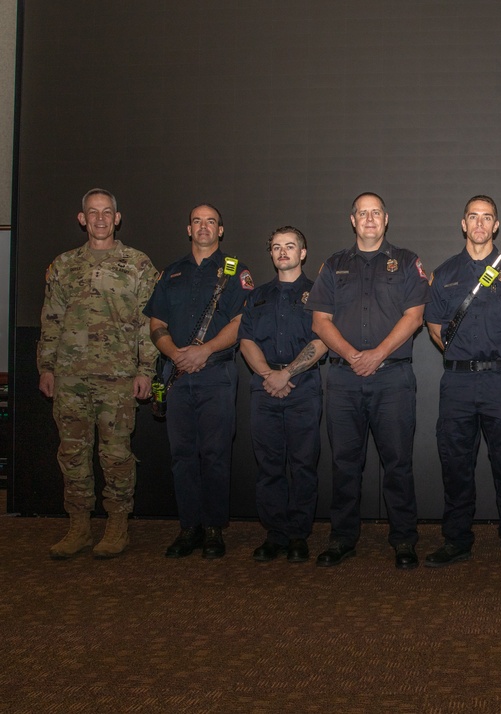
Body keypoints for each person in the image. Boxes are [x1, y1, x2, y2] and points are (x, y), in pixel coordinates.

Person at [306, 192, 429, 570]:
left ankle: (404, 539)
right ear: (353, 220)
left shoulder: (407, 262)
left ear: (386, 219)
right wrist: (351, 355)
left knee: (398, 464)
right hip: (343, 380)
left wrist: (377, 354)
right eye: (363, 213)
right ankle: (343, 538)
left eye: (376, 213)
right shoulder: (333, 265)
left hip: (392, 379)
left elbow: (415, 316)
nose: (370, 219)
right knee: (344, 464)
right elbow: (319, 321)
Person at [38, 188, 158, 559]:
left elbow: (148, 324)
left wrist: (146, 369)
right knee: (72, 454)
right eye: (93, 212)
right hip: (70, 376)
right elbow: (51, 319)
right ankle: (78, 527)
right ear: (82, 218)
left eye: (107, 212)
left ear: (117, 218)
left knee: (117, 455)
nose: (101, 219)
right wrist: (46, 366)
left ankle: (117, 525)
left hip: (119, 377)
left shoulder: (137, 264)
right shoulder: (63, 265)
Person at [424, 195, 501, 571]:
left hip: (500, 383)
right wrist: (462, 356)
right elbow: (435, 326)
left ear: (496, 225)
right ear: (463, 223)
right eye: (473, 216)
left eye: (487, 217)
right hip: (457, 383)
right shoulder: (444, 273)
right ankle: (457, 540)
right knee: (455, 465)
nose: (480, 223)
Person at [144, 204, 253, 559]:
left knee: (216, 454)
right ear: (188, 229)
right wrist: (175, 353)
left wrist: (204, 351)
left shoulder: (235, 271)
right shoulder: (170, 273)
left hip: (216, 373)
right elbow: (156, 324)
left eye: (211, 222)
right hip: (176, 374)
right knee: (182, 456)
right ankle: (188, 527)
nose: (203, 227)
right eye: (196, 221)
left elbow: (240, 323)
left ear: (220, 230)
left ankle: (213, 529)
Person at [239, 226, 327, 564]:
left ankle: (298, 536)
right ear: (271, 254)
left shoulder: (318, 295)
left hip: (302, 387)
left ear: (303, 253)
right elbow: (246, 339)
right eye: (277, 247)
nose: (283, 252)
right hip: (264, 387)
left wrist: (286, 374)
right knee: (269, 466)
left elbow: (321, 341)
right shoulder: (257, 296)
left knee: (303, 465)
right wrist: (268, 375)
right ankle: (275, 534)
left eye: (290, 246)